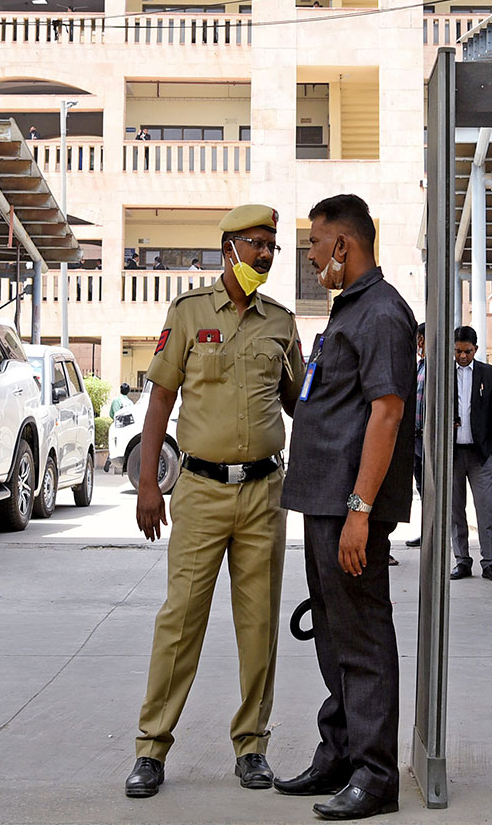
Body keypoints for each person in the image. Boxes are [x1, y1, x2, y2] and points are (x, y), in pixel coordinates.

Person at [125, 205, 306, 799]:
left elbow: (299, 404)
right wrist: (148, 483)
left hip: (264, 493)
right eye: (256, 244)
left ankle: (252, 746)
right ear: (228, 248)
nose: (265, 255)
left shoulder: (281, 322)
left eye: (272, 246)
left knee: (259, 625)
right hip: (200, 490)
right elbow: (160, 400)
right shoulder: (189, 313)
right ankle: (151, 747)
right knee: (180, 621)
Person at [276, 194, 416, 820]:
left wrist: (360, 510)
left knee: (361, 636)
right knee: (334, 634)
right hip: (324, 502)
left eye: (313, 243)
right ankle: (340, 752)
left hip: (348, 506)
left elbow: (387, 414)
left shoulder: (382, 314)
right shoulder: (349, 310)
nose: (308, 255)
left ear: (343, 245)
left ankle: (376, 775)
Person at [449, 325, 492, 582]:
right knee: (455, 510)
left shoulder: (489, 374)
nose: (462, 356)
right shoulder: (444, 374)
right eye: (458, 351)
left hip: (480, 454)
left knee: (485, 509)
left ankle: (490, 562)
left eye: (467, 351)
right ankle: (461, 560)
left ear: (476, 349)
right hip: (452, 454)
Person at [404, 324, 426, 548]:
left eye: (421, 339)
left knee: (431, 488)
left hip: (430, 440)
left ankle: (434, 533)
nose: (418, 344)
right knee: (422, 489)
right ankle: (426, 530)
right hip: (415, 438)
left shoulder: (438, 369)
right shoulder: (418, 367)